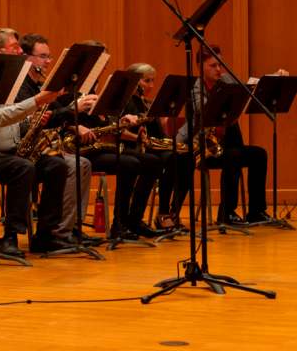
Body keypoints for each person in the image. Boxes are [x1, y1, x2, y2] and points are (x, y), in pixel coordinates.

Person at [0, 28, 70, 255]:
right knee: (22, 168)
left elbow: (13, 117)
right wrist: (38, 100)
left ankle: (46, 235)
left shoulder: (11, 80)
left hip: (9, 151)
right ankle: (9, 237)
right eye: (15, 47)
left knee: (57, 165)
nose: (21, 51)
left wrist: (34, 119)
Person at [64, 41, 164, 240]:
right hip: (79, 146)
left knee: (153, 162)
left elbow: (101, 116)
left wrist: (120, 122)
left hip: (98, 144)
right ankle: (119, 223)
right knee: (130, 163)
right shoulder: (71, 80)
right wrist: (75, 126)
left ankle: (133, 220)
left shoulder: (96, 83)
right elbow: (59, 113)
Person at [177, 45, 283, 225]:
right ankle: (226, 213)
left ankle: (256, 211)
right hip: (204, 149)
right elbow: (205, 113)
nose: (219, 69)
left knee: (259, 154)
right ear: (200, 67)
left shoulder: (227, 79)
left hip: (227, 143)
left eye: (220, 65)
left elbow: (249, 87)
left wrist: (273, 78)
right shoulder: (195, 89)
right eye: (213, 65)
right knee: (233, 156)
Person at [16, 33, 99, 244]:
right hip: (23, 149)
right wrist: (73, 109)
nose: (48, 62)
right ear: (27, 59)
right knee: (68, 164)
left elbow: (53, 114)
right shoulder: (21, 88)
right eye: (43, 56)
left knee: (82, 164)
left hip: (41, 148)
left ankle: (68, 229)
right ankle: (51, 233)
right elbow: (36, 122)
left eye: (49, 56)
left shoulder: (39, 86)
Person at [123, 62, 193, 230]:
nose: (152, 86)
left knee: (187, 158)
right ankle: (161, 213)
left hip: (155, 146)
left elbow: (160, 134)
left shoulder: (148, 103)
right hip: (135, 148)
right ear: (134, 81)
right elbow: (121, 132)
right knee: (170, 159)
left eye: (153, 81)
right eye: (147, 81)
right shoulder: (126, 102)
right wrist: (140, 138)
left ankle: (173, 213)